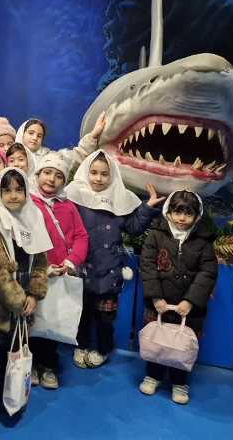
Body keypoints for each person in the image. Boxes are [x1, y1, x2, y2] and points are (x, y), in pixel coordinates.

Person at [65, 150, 162, 367]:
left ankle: (103, 349)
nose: (98, 178)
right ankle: (80, 345)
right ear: (86, 172)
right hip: (82, 269)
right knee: (81, 314)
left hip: (109, 271)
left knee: (105, 318)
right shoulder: (75, 196)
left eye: (104, 174)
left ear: (112, 175)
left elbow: (134, 228)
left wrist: (147, 208)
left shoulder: (119, 198)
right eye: (94, 173)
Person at [0, 168, 51, 414]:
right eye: (7, 190)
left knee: (15, 352)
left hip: (23, 305)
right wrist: (19, 301)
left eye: (19, 190)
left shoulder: (33, 217)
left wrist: (35, 293)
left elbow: (40, 261)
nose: (13, 195)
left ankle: (12, 393)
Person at [139, 190, 217, 405]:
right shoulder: (156, 235)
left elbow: (208, 272)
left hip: (188, 308)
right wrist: (155, 297)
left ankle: (179, 382)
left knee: (182, 346)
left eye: (188, 213)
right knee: (157, 341)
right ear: (169, 212)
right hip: (159, 304)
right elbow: (147, 266)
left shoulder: (204, 241)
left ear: (197, 216)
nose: (182, 218)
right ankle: (153, 375)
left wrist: (190, 300)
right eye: (178, 212)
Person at [29, 152, 88, 389]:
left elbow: (81, 236)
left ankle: (49, 367)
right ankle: (30, 365)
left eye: (58, 176)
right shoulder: (27, 203)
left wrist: (71, 261)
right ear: (37, 175)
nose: (51, 179)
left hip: (60, 276)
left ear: (64, 181)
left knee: (52, 323)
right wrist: (41, 269)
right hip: (36, 275)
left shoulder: (68, 207)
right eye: (46, 173)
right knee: (31, 323)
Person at [14, 112, 106, 173]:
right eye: (31, 133)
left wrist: (93, 135)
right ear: (22, 133)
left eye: (39, 136)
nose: (35, 138)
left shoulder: (48, 157)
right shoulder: (9, 155)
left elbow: (75, 157)